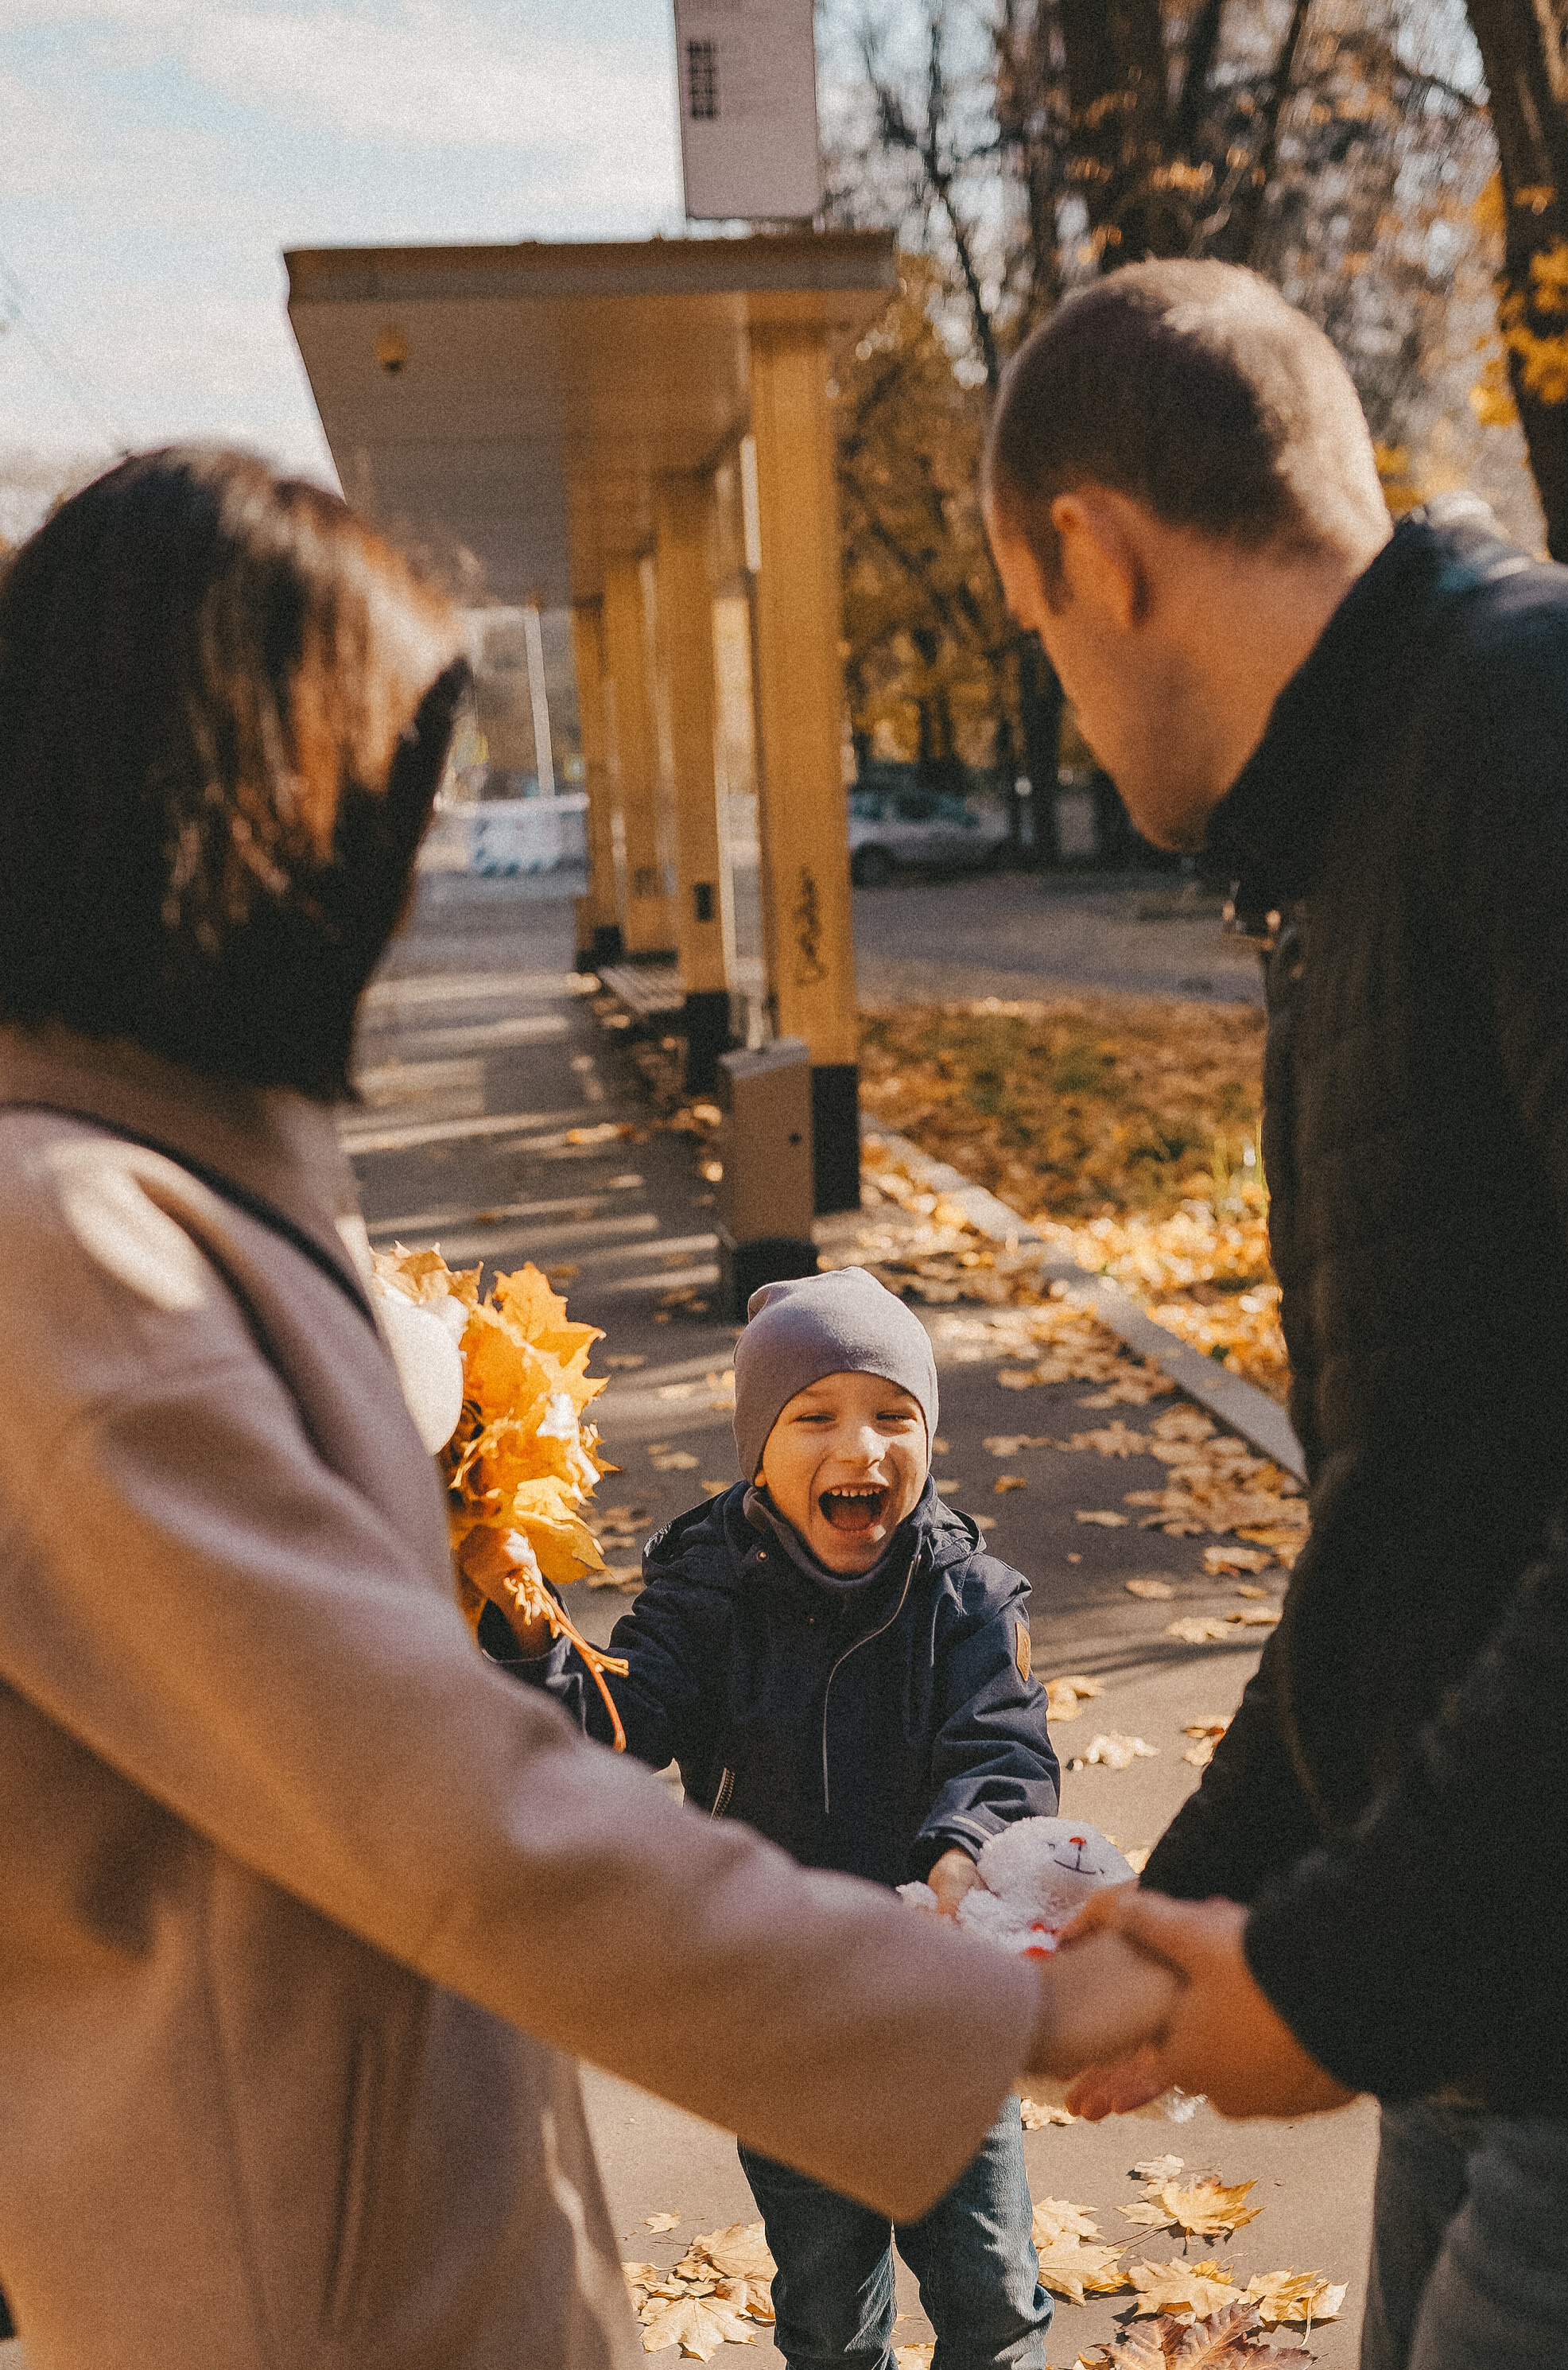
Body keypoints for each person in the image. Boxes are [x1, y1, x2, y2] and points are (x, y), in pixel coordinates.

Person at [0, 447, 1174, 2368]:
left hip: (389, 2221)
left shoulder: (176, 1189)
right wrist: (1010, 2008)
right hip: (303, 2282)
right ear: (231, 812)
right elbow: (458, 1810)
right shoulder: (80, 1252)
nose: (417, 866)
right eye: (391, 796)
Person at [981, 258, 1568, 2368]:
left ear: (1093, 552)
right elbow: (1420, 1522)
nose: (1064, 698)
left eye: (1039, 636)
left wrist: (1325, 1972)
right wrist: (1198, 1906)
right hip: (1477, 1997)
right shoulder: (1347, 843)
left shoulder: (1526, 728)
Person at [487, 1265, 1061, 2370]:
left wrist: (963, 1850)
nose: (862, 1448)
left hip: (940, 1995)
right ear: (758, 1448)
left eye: (894, 1416)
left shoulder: (969, 1596)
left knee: (992, 2300)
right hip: (784, 2003)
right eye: (816, 1418)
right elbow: (617, 1720)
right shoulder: (708, 1591)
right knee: (829, 2312)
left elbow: (1004, 1747)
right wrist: (527, 1629)